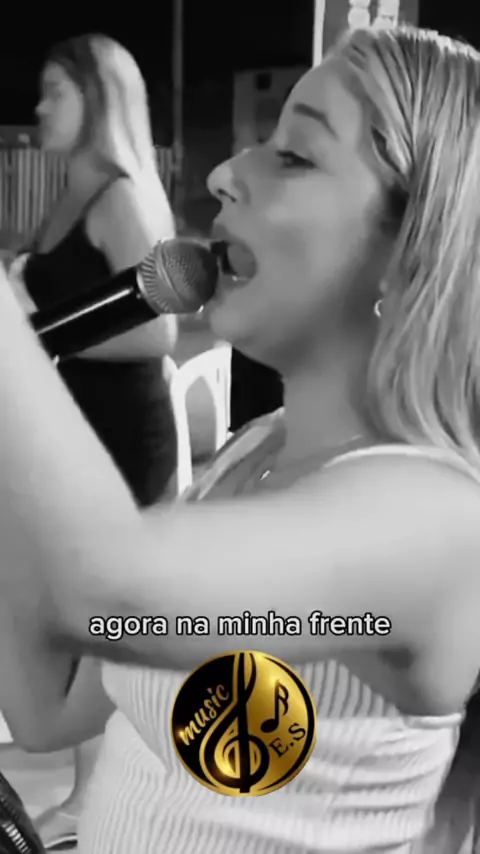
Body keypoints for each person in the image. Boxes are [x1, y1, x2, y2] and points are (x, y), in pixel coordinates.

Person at [0, 23, 480, 854]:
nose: (225, 173)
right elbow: (50, 708)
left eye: (294, 156)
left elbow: (106, 591)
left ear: (409, 252)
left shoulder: (439, 519)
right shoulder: (249, 458)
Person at [13, 33, 179, 850]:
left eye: (57, 91)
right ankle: (89, 793)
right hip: (83, 423)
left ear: (99, 98)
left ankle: (97, 799)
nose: (40, 106)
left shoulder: (118, 195)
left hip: (121, 433)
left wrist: (36, 338)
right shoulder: (72, 195)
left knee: (100, 618)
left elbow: (160, 330)